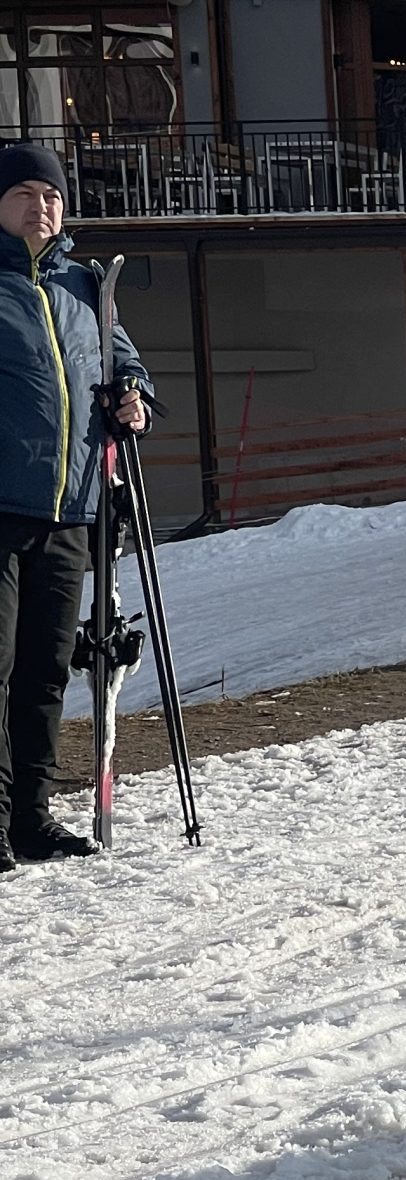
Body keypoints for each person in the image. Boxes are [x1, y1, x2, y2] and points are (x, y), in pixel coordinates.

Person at [0, 141, 153, 873]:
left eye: (52, 195)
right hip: (1, 506)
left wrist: (134, 398)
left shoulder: (87, 287)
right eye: (26, 193)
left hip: (72, 509)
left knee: (46, 672)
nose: (42, 206)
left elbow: (123, 359)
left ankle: (30, 821)